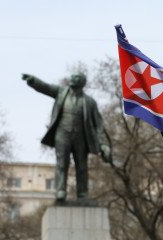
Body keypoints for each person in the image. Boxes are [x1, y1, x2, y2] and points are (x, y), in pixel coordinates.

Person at [22, 73, 112, 201]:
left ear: (82, 82)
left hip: (81, 137)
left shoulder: (90, 102)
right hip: (62, 134)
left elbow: (98, 124)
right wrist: (33, 81)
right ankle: (60, 190)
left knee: (81, 166)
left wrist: (103, 144)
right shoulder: (61, 92)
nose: (71, 78)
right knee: (62, 163)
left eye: (75, 77)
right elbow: (45, 87)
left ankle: (82, 193)